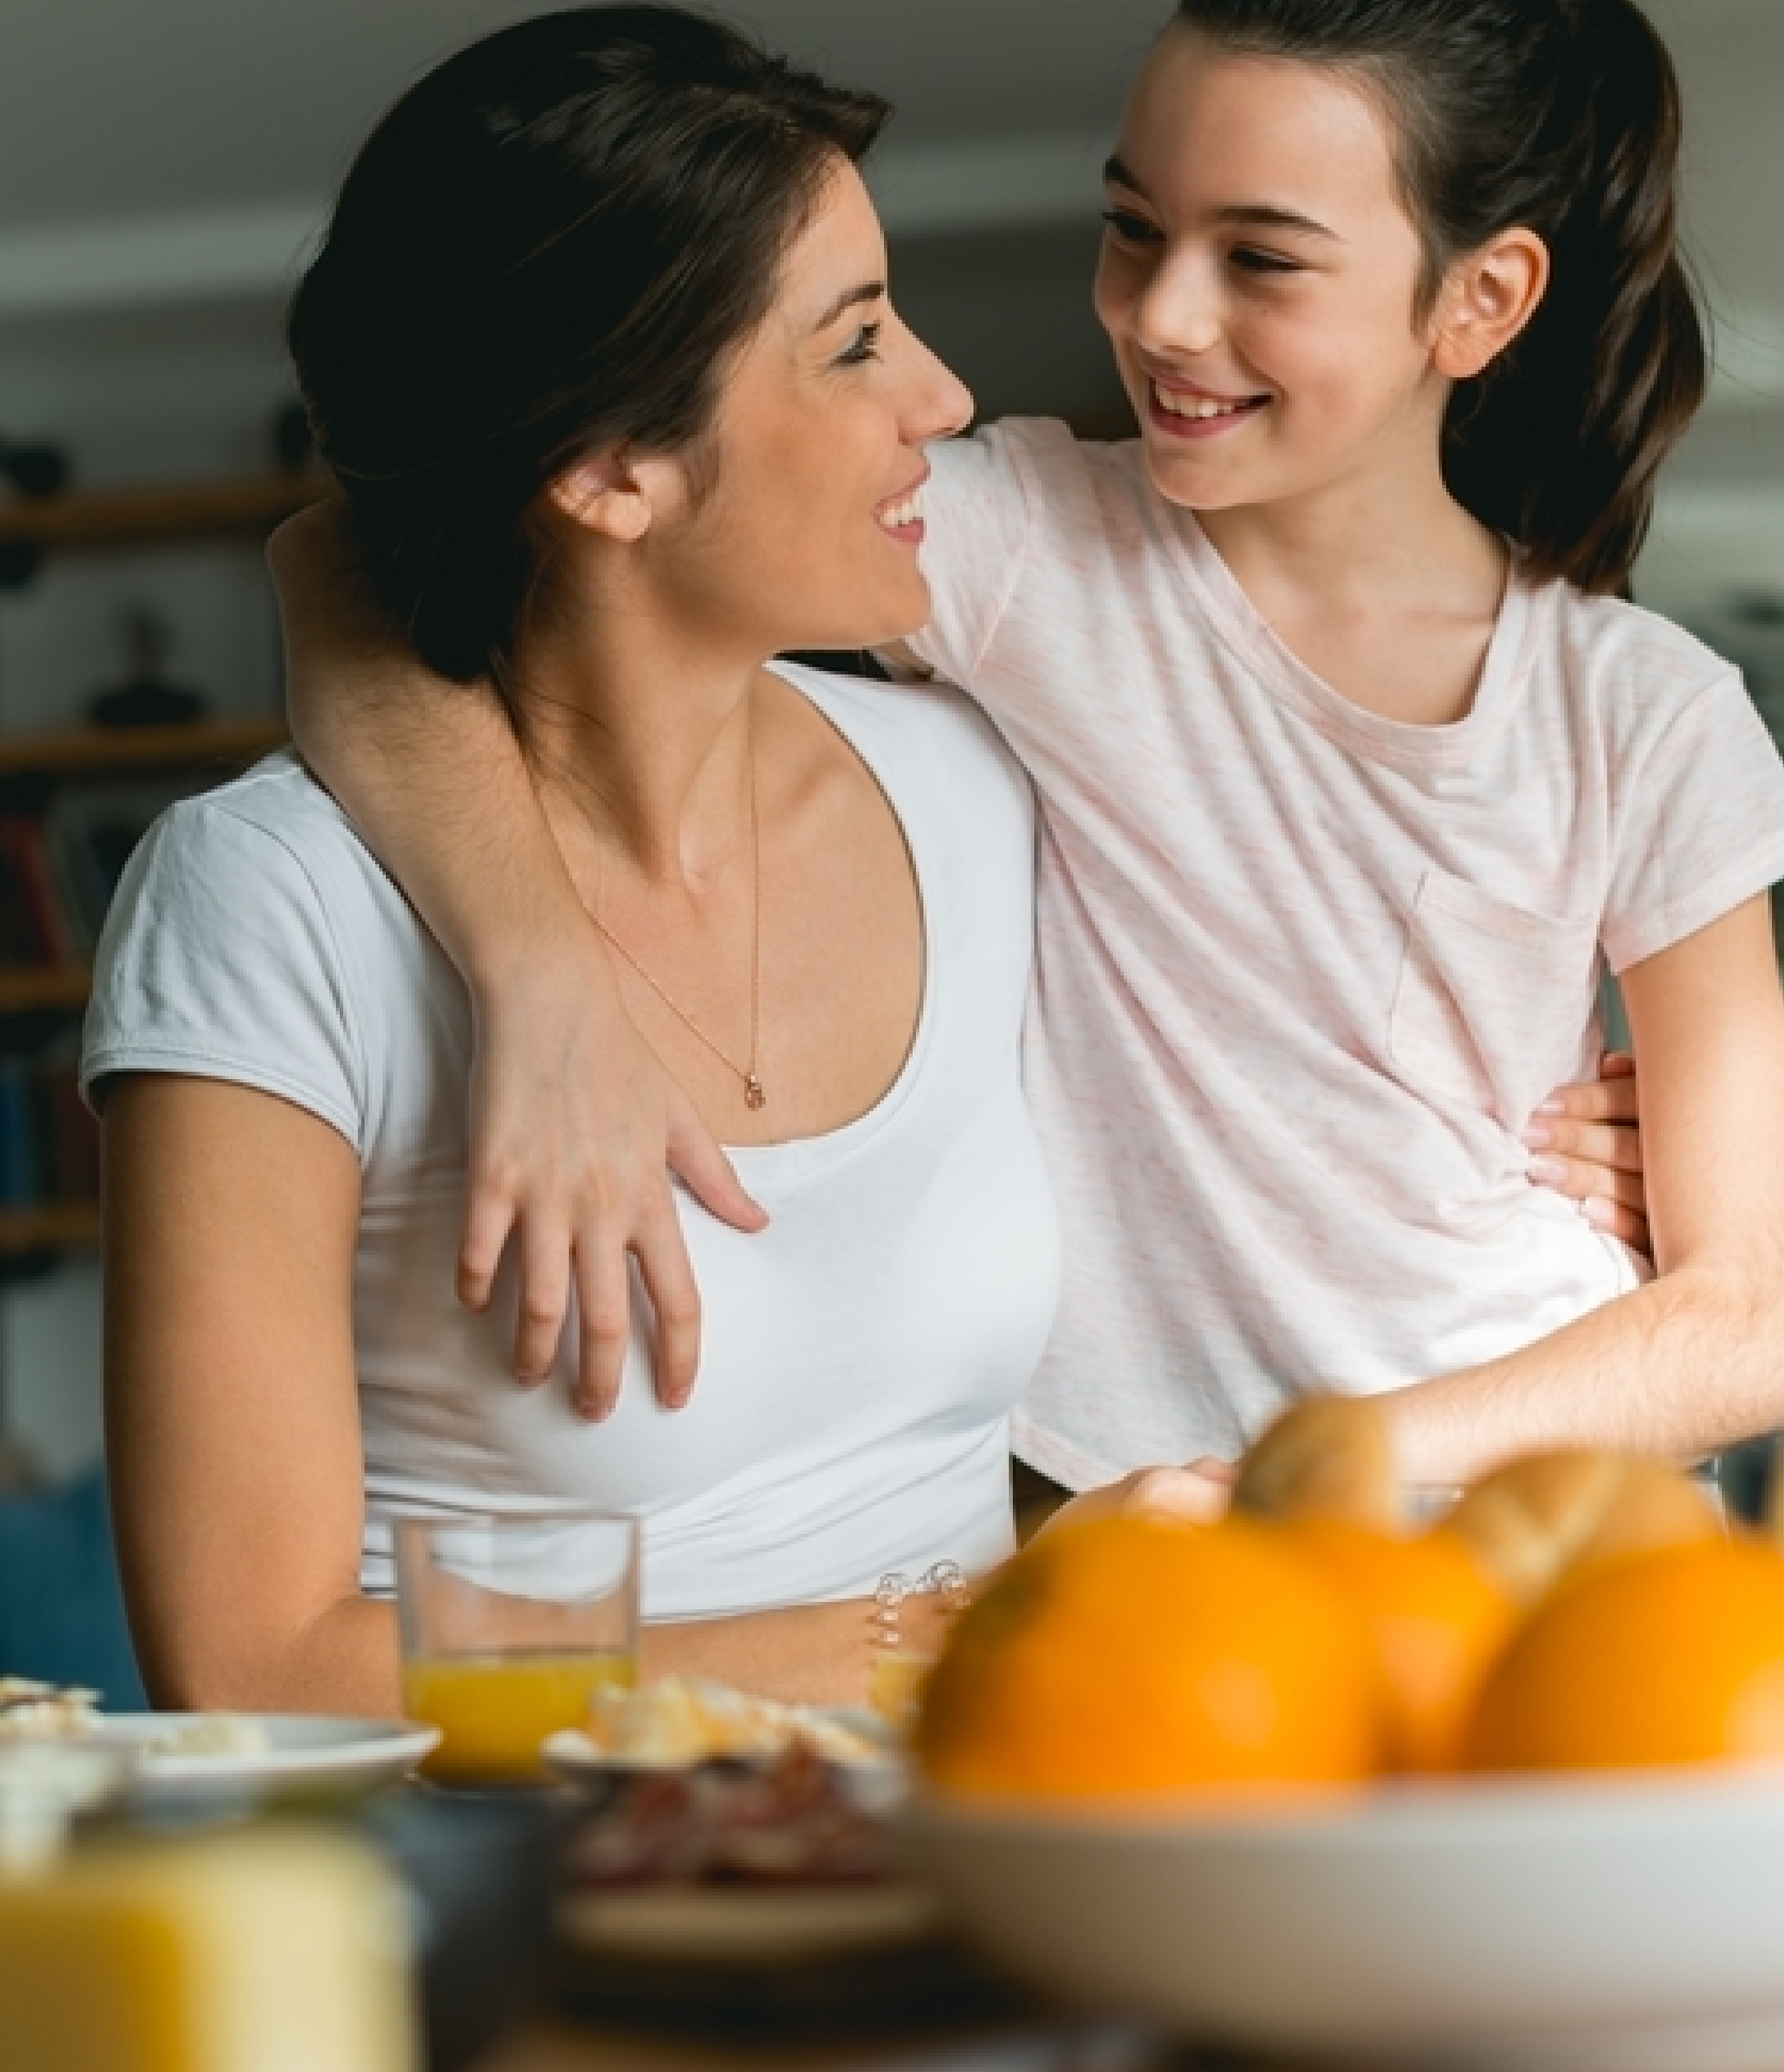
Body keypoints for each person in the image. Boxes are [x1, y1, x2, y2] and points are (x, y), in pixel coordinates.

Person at [272, 0, 1784, 1513]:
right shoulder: (1017, 547)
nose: (1161, 315)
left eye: (1258, 257)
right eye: (1132, 227)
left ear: (1481, 300)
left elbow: (1747, 1317)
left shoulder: (1644, 715)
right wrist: (542, 979)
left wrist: (1317, 1473)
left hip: (1534, 1515)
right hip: (1110, 1525)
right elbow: (348, 556)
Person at [85, 9, 1056, 1711]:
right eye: (852, 345)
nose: (946, 397)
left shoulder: (979, 785)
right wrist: (912, 1646)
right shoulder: (271, 905)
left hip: (966, 1857)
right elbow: (250, 1669)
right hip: (505, 1898)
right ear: (611, 469)